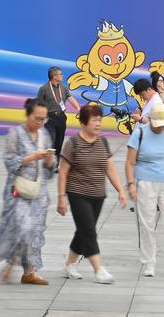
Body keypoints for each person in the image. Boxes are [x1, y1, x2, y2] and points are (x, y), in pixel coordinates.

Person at [0, 98, 56, 285]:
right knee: (22, 227)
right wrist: (32, 157)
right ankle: (12, 261)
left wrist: (50, 161)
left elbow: (49, 170)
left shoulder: (44, 135)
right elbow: (9, 162)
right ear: (28, 115)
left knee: (35, 229)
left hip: (38, 190)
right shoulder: (15, 134)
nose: (41, 122)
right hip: (18, 189)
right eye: (37, 118)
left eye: (44, 119)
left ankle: (29, 271)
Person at [57, 104, 127, 284]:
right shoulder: (72, 144)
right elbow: (63, 172)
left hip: (98, 195)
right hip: (77, 193)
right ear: (83, 122)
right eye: (94, 120)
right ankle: (98, 269)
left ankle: (70, 264)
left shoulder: (103, 143)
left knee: (83, 230)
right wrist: (61, 198)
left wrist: (121, 190)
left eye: (100, 120)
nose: (98, 124)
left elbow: (110, 169)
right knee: (89, 231)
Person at [126, 103, 164, 277]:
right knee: (146, 223)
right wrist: (131, 184)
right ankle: (149, 262)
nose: (161, 127)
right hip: (145, 182)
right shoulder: (139, 133)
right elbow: (130, 162)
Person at [37, 66, 80, 163]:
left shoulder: (63, 88)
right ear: (54, 76)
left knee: (59, 143)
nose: (62, 76)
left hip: (61, 118)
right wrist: (40, 119)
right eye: (60, 74)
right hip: (49, 118)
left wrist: (78, 108)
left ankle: (55, 165)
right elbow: (39, 104)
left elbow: (70, 98)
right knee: (50, 142)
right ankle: (49, 164)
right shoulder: (43, 88)